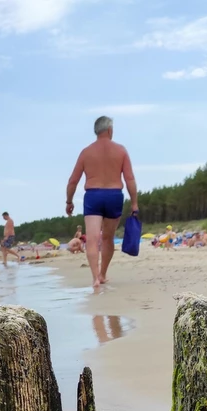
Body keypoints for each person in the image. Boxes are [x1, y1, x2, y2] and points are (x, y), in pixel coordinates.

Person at [65, 115, 138, 289]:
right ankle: (103, 274)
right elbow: (130, 179)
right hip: (114, 195)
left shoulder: (86, 152)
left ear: (96, 131)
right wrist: (134, 203)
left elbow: (73, 181)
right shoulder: (121, 151)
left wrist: (69, 201)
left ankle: (95, 278)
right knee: (107, 238)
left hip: (93, 196)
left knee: (92, 239)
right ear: (110, 130)